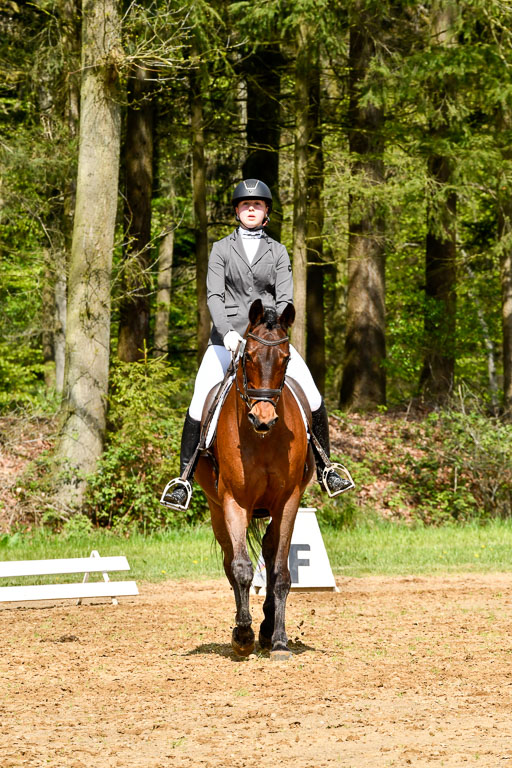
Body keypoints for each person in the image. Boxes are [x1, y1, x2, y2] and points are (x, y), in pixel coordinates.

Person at [160, 178, 353, 511]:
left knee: (313, 394)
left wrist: (267, 331)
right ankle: (183, 480)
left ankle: (326, 469)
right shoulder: (221, 249)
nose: (251, 209)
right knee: (198, 400)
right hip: (228, 339)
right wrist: (228, 333)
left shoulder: (277, 251)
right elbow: (214, 296)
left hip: (267, 341)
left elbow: (285, 297)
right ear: (237, 211)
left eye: (257, 205)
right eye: (246, 205)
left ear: (266, 212)